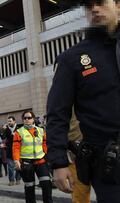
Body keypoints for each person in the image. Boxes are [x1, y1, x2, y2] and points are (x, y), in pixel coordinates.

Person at [46, 0, 120, 202]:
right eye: (89, 5)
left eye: (101, 2)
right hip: (110, 164)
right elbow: (56, 113)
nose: (95, 9)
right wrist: (59, 163)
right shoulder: (72, 59)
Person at [13, 111, 53, 203]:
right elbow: (16, 148)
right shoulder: (19, 132)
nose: (27, 120)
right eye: (25, 118)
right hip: (27, 163)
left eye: (29, 118)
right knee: (29, 187)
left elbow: (45, 144)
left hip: (41, 161)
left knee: (46, 184)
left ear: (33, 118)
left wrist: (48, 157)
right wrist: (16, 161)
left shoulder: (41, 130)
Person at [2, 116, 22, 186]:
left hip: (18, 150)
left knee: (18, 166)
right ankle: (11, 180)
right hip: (9, 150)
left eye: (10, 121)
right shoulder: (7, 129)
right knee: (10, 167)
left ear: (14, 121)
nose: (9, 122)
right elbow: (3, 137)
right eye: (8, 121)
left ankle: (18, 179)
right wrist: (3, 130)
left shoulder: (19, 128)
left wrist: (15, 134)